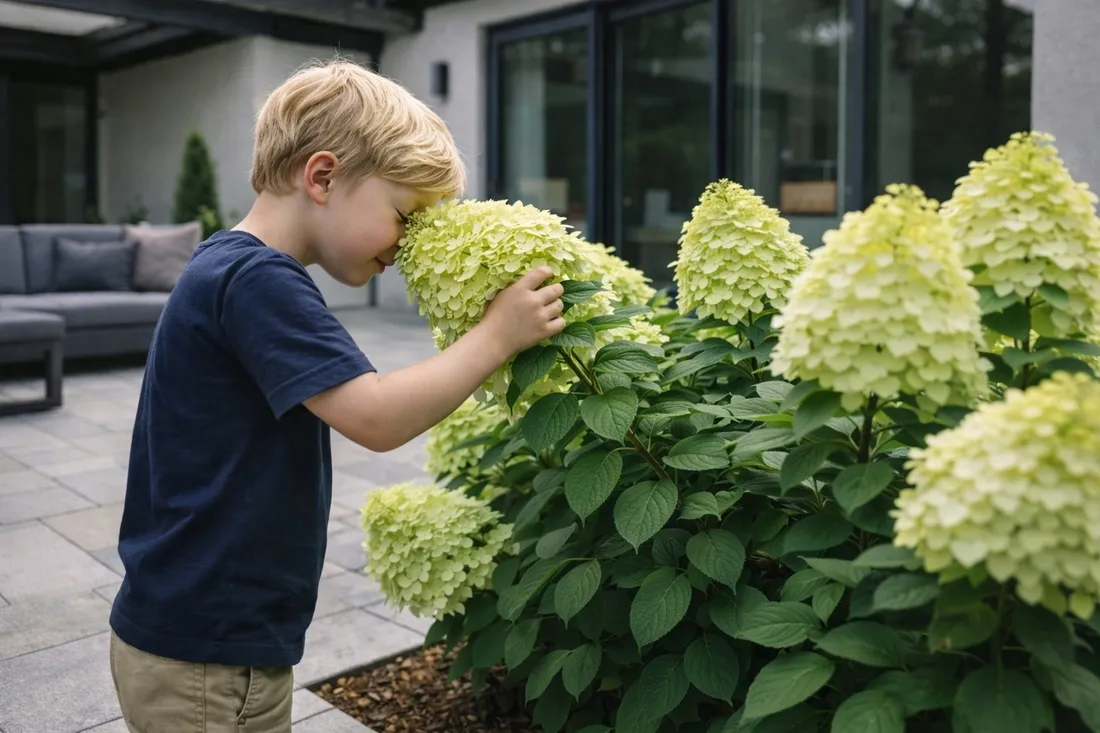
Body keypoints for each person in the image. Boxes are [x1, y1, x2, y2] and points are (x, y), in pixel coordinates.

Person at [107, 58, 566, 732]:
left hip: (201, 635)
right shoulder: (258, 280)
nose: (407, 247)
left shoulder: (228, 265)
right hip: (209, 655)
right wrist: (497, 335)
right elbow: (375, 415)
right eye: (404, 216)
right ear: (322, 177)